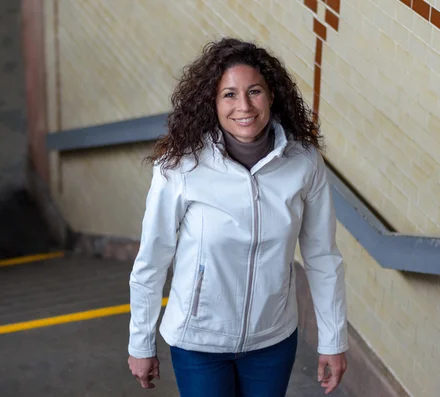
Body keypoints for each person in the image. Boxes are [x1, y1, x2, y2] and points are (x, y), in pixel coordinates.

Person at [127, 38, 348, 397]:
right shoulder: (182, 167)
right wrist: (141, 342)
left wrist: (333, 339)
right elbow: (152, 259)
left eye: (254, 91)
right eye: (229, 94)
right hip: (198, 341)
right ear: (211, 103)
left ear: (272, 95)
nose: (243, 106)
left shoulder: (304, 164)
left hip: (272, 340)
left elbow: (323, 257)